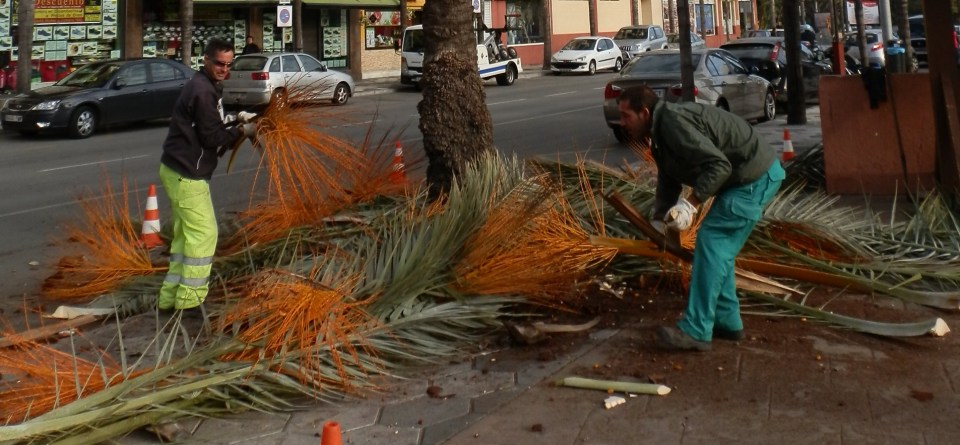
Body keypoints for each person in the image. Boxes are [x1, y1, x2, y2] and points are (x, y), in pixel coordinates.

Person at [616, 85, 785, 352]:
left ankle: (696, 330)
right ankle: (727, 321)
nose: (622, 123)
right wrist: (660, 218)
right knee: (717, 249)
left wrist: (690, 205)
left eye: (626, 116)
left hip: (755, 176)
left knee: (712, 241)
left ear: (644, 112)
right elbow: (669, 177)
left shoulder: (672, 124)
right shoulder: (661, 130)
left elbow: (719, 165)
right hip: (746, 176)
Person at [158, 38, 257, 310]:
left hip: (177, 169)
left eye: (228, 64)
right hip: (187, 174)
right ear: (206, 60)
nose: (224, 69)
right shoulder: (203, 91)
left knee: (185, 238)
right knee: (204, 235)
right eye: (219, 64)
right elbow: (212, 137)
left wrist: (236, 118)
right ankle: (189, 303)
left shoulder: (206, 87)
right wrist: (241, 131)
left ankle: (169, 299)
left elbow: (210, 122)